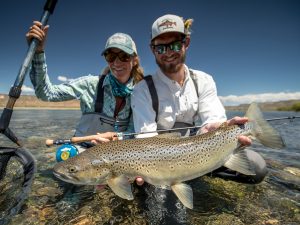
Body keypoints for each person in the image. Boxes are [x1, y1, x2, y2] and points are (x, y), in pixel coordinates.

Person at [128, 14, 267, 224]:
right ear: (152, 49)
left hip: (204, 152)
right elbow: (146, 139)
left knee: (258, 168)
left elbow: (213, 119)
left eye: (174, 45)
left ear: (186, 43)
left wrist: (219, 127)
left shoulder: (204, 80)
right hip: (162, 163)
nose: (168, 53)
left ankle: (201, 173)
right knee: (169, 218)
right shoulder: (141, 90)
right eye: (161, 48)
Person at [26, 21, 143, 147]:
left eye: (124, 56)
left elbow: (134, 130)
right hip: (82, 149)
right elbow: (46, 93)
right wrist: (38, 53)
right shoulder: (90, 84)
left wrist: (118, 138)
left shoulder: (141, 93)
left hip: (115, 152)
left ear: (134, 60)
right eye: (111, 56)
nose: (117, 62)